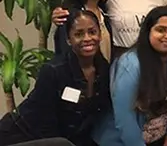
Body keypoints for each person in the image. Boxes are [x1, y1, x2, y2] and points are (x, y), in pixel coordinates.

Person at [0, 10, 110, 146]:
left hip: (62, 139)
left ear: (100, 35)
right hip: (22, 135)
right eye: (79, 34)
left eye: (92, 32)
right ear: (68, 40)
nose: (87, 38)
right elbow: (45, 125)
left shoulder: (104, 69)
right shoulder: (53, 71)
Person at [92, 6, 167, 146]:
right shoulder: (130, 64)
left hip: (156, 140)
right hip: (120, 141)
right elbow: (125, 119)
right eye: (161, 30)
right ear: (148, 32)